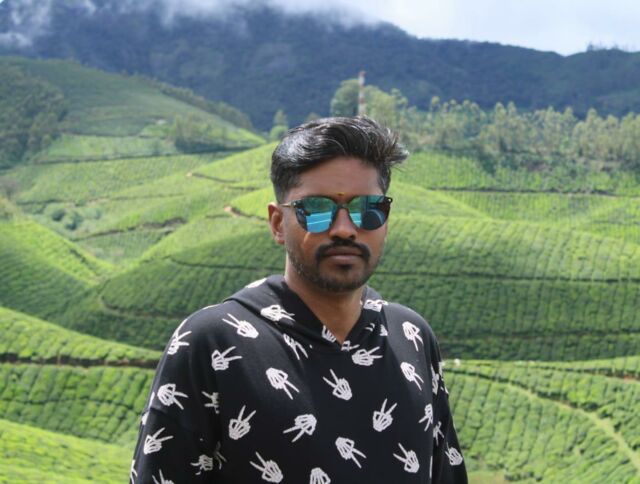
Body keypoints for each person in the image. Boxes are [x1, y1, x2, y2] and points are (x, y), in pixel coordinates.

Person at [130, 116, 468, 483]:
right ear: (278, 223)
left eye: (366, 209)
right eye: (318, 210)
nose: (344, 229)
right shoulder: (213, 342)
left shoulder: (411, 336)